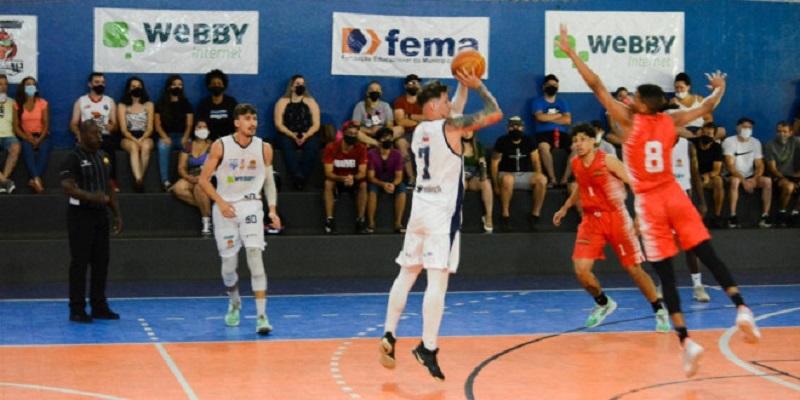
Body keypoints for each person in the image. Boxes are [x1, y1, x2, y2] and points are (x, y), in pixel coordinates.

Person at [557, 24, 760, 378]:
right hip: (673, 193)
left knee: (664, 271)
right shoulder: (670, 119)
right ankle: (741, 307)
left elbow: (596, 86)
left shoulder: (629, 121)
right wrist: (720, 90)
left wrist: (572, 54)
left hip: (650, 202)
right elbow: (707, 108)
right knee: (706, 252)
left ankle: (685, 339)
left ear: (642, 105)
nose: (629, 98)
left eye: (634, 96)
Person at [378, 70, 502, 381]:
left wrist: (461, 84)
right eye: (445, 101)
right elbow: (495, 113)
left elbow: (455, 109)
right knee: (438, 281)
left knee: (407, 272)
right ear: (435, 106)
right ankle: (428, 347)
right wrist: (479, 87)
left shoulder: (420, 129)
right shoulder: (451, 127)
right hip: (441, 216)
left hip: (419, 207)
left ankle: (389, 333)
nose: (450, 105)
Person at [553, 123, 670, 332]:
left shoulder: (608, 161)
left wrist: (641, 216)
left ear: (592, 141)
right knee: (581, 271)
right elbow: (581, 186)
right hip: (591, 220)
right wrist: (564, 207)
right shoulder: (576, 164)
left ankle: (659, 309)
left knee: (634, 269)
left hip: (616, 217)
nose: (578, 144)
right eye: (575, 140)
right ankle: (603, 303)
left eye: (582, 139)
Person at [198, 104, 280, 335]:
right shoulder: (220, 145)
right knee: (229, 266)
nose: (252, 123)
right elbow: (203, 180)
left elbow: (269, 181)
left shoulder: (264, 148)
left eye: (254, 118)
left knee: (255, 256)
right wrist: (221, 203)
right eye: (247, 119)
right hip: (225, 207)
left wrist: (272, 209)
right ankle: (234, 302)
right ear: (236, 122)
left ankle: (262, 315)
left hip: (252, 205)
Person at [60, 120, 123, 323]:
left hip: (100, 215)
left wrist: (117, 214)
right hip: (80, 216)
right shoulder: (72, 157)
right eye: (95, 134)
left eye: (100, 134)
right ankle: (77, 308)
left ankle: (99, 305)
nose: (99, 137)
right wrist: (91, 197)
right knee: (79, 263)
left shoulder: (103, 157)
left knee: (101, 262)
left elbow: (109, 188)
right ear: (83, 135)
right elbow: (68, 187)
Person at [671, 136, 711, 303]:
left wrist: (702, 202)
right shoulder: (655, 144)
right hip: (662, 201)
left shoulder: (687, 146)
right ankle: (663, 284)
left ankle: (697, 286)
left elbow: (695, 175)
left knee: (691, 246)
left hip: (684, 201)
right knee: (664, 246)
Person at [490, 116, 547, 232]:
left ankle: (535, 215)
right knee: (508, 179)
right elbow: (494, 163)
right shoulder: (502, 141)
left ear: (522, 127)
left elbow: (536, 161)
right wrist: (495, 185)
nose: (515, 129)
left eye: (518, 126)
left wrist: (538, 175)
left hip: (525, 174)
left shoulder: (529, 140)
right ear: (508, 128)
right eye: (512, 126)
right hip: (506, 174)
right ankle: (505, 215)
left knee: (542, 180)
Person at [352, 81, 411, 184]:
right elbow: (355, 125)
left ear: (381, 93)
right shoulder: (360, 106)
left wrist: (381, 130)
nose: (374, 92)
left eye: (377, 90)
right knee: (355, 132)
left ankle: (379, 141)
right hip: (367, 135)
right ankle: (378, 144)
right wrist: (369, 131)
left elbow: (390, 125)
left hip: (383, 134)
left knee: (400, 129)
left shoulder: (385, 106)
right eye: (372, 90)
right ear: (367, 92)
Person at [70, 72, 119, 191]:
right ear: (90, 84)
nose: (100, 85)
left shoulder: (109, 101)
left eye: (102, 83)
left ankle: (110, 180)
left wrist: (112, 127)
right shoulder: (81, 101)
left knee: (109, 149)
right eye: (97, 82)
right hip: (86, 136)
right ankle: (82, 182)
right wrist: (78, 134)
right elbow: (73, 123)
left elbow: (116, 124)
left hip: (104, 136)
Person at [722, 117, 772, 228]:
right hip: (733, 175)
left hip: (750, 176)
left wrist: (754, 179)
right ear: (737, 127)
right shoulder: (729, 141)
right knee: (735, 182)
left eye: (750, 128)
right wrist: (743, 181)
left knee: (767, 181)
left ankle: (765, 216)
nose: (747, 130)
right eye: (744, 127)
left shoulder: (756, 142)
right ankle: (732, 216)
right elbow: (730, 166)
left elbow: (760, 165)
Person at [273, 74, 321, 190]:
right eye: (298, 84)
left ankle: (301, 177)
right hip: (288, 134)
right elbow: (278, 124)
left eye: (303, 84)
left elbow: (316, 124)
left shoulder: (311, 102)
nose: (301, 86)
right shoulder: (282, 102)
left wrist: (307, 135)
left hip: (307, 133)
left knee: (314, 144)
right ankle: (297, 175)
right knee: (285, 143)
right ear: (291, 87)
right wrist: (291, 134)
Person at [322, 121, 368, 234]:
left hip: (353, 179)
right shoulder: (331, 147)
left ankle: (360, 220)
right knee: (328, 183)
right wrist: (343, 179)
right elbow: (328, 172)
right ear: (343, 134)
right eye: (350, 133)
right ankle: (329, 221)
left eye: (355, 134)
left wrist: (353, 178)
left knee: (363, 185)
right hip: (337, 179)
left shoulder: (361, 148)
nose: (352, 136)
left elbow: (362, 172)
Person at [565, 120, 618, 218]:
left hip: (603, 178)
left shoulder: (608, 147)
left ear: (602, 132)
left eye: (597, 131)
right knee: (572, 186)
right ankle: (584, 216)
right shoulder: (581, 146)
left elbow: (614, 168)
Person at [173, 120, 213, 235]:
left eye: (205, 127)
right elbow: (181, 166)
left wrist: (202, 177)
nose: (203, 129)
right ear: (195, 130)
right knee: (178, 188)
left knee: (199, 188)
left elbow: (215, 165)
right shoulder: (188, 146)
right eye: (200, 127)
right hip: (192, 176)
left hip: (208, 176)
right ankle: (208, 209)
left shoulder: (212, 145)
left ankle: (206, 221)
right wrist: (187, 176)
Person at [155, 74, 194, 192]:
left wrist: (186, 137)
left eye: (180, 85)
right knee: (162, 147)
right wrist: (165, 137)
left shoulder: (186, 103)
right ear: (168, 87)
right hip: (167, 136)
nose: (177, 87)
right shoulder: (161, 104)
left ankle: (190, 178)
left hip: (183, 136)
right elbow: (157, 125)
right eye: (174, 85)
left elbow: (190, 124)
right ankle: (165, 181)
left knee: (190, 146)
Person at [531, 74, 571, 187]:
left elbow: (567, 120)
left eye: (554, 85)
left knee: (576, 149)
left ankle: (565, 179)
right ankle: (552, 178)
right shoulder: (537, 101)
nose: (552, 87)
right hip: (543, 134)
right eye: (549, 85)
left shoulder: (562, 102)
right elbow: (539, 118)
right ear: (544, 87)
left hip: (561, 133)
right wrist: (558, 115)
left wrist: (547, 118)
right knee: (543, 147)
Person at [366, 127, 407, 233]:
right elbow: (371, 177)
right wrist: (383, 184)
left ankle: (398, 223)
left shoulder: (397, 154)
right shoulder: (371, 154)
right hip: (377, 180)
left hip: (391, 180)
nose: (388, 141)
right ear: (378, 141)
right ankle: (371, 223)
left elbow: (399, 176)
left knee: (402, 189)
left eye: (390, 138)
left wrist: (393, 184)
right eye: (385, 138)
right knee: (371, 190)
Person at [117, 76, 154, 192]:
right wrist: (134, 140)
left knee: (146, 146)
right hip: (128, 137)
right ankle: (138, 178)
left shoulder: (149, 105)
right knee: (133, 147)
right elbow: (123, 129)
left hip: (145, 135)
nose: (136, 88)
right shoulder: (122, 106)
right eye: (133, 86)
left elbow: (150, 128)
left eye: (139, 86)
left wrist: (142, 139)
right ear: (129, 89)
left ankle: (139, 180)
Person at [13, 76, 50, 194]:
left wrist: (39, 139)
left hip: (41, 135)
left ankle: (34, 179)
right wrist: (26, 137)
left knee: (45, 147)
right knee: (26, 148)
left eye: (33, 84)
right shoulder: (17, 105)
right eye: (28, 84)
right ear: (23, 87)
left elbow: (46, 124)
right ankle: (37, 179)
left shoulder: (43, 103)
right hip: (26, 136)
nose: (30, 86)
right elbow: (16, 126)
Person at [764, 121, 800, 227]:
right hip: (778, 176)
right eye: (779, 131)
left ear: (791, 133)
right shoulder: (770, 145)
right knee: (789, 187)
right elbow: (773, 169)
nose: (782, 134)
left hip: (795, 176)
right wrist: (789, 180)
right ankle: (782, 213)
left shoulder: (796, 142)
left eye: (785, 132)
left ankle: (795, 213)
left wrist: (797, 177)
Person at [670, 72, 726, 139]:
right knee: (677, 130)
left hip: (702, 130)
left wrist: (703, 130)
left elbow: (708, 119)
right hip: (684, 131)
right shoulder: (672, 102)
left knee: (722, 131)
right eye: (676, 88)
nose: (679, 90)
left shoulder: (699, 99)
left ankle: (703, 140)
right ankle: (697, 140)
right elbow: (673, 123)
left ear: (688, 87)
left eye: (681, 87)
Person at [692, 122, 725, 228]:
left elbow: (717, 170)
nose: (706, 135)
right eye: (704, 133)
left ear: (714, 136)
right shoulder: (692, 144)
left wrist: (707, 176)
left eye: (709, 134)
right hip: (692, 176)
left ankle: (717, 216)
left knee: (718, 181)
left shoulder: (716, 147)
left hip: (707, 177)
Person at [462, 126, 493, 233]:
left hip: (473, 177)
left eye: (469, 131)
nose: (466, 133)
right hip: (459, 177)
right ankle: (455, 216)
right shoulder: (454, 146)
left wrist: (483, 174)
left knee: (486, 183)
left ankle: (488, 216)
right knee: (461, 184)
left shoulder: (478, 146)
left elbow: (482, 163)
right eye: (464, 131)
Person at [393, 74, 423, 182]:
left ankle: (424, 178)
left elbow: (428, 118)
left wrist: (409, 116)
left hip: (422, 133)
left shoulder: (424, 101)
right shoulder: (399, 101)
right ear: (405, 86)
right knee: (400, 143)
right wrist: (419, 119)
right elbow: (400, 121)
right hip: (406, 134)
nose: (414, 85)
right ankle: (411, 177)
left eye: (416, 83)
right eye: (411, 83)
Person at [196, 69, 237, 142]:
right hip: (209, 140)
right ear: (209, 86)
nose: (216, 85)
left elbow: (237, 122)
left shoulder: (231, 102)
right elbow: (200, 124)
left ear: (224, 85)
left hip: (229, 140)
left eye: (219, 83)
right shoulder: (203, 103)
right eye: (214, 84)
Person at [0, 74, 19, 193]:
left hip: (8, 136)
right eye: (0, 84)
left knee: (16, 147)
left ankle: (3, 180)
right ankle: (5, 182)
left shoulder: (13, 103)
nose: (3, 87)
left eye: (5, 84)